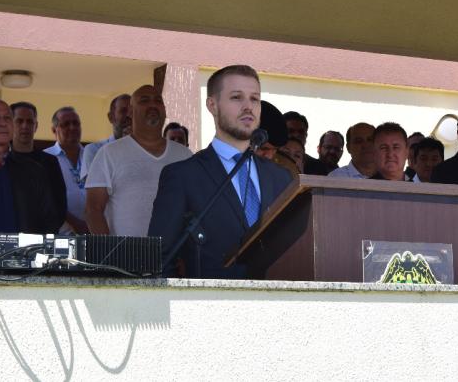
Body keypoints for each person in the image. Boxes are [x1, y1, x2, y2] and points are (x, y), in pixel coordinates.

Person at [148, 65, 292, 279]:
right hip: (209, 307)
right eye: (236, 97)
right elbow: (158, 260)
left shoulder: (281, 177)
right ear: (212, 105)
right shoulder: (183, 176)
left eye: (254, 99)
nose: (248, 106)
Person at [85, 85, 193, 236]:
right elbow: (93, 210)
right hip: (124, 257)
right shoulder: (109, 154)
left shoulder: (184, 155)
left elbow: (195, 207)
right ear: (130, 111)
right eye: (144, 100)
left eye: (158, 101)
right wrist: (109, 254)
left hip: (173, 257)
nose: (152, 105)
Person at [0, 99, 59, 265]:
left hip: (25, 264)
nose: (3, 123)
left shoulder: (33, 170)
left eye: (7, 118)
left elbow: (50, 218)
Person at [9, 101, 67, 229]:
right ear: (10, 125)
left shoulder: (49, 163)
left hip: (42, 240)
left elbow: (60, 205)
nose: (25, 126)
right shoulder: (1, 161)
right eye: (19, 121)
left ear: (36, 126)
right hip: (7, 237)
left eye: (30, 121)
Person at [44, 106, 88, 234]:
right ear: (54, 130)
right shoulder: (45, 158)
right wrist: (75, 223)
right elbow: (49, 199)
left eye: (76, 123)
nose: (72, 128)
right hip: (60, 235)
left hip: (94, 234)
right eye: (66, 124)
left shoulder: (92, 156)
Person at [81, 94, 131, 177]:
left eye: (133, 111)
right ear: (111, 117)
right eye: (123, 111)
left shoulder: (145, 149)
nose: (129, 115)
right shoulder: (94, 150)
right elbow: (93, 186)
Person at [283, 111, 330, 175]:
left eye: (301, 132)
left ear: (306, 135)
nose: (296, 135)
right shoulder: (269, 158)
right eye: (290, 131)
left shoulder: (318, 167)